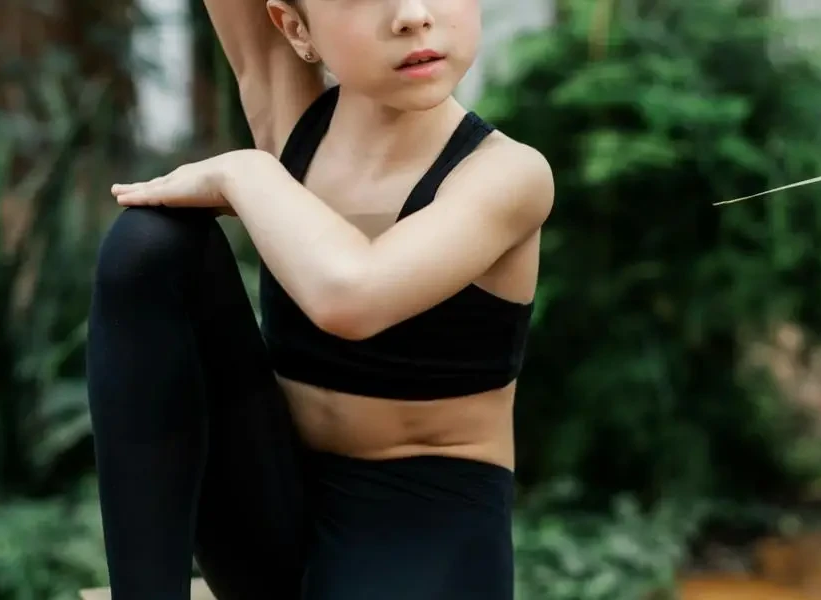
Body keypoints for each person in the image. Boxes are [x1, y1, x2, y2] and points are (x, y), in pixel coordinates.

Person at [86, 0, 554, 598]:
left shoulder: (508, 175)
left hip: (424, 516)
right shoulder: (291, 119)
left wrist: (247, 172)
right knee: (150, 242)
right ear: (294, 27)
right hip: (268, 489)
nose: (411, 15)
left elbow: (351, 298)